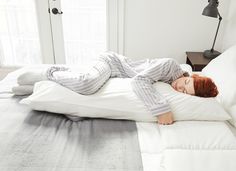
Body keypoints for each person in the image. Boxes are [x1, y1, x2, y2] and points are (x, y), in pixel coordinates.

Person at [45, 51, 218, 125]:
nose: (179, 87)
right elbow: (138, 81)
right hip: (112, 63)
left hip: (115, 74)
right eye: (186, 83)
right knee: (86, 85)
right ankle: (53, 72)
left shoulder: (177, 78)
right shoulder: (170, 66)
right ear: (192, 76)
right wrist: (161, 109)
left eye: (185, 92)